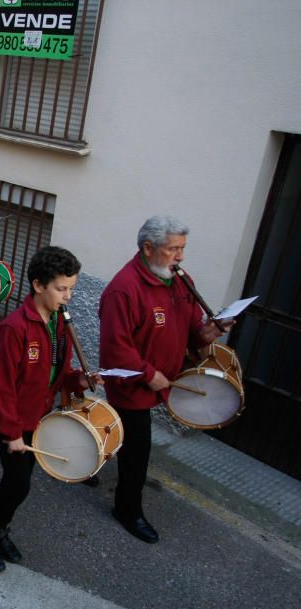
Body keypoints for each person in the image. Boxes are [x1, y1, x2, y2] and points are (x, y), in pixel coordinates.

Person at [99, 216, 230, 543]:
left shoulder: (180, 279)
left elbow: (193, 330)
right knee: (137, 452)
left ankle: (94, 457)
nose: (181, 256)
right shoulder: (123, 288)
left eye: (182, 248)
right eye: (173, 249)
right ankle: (127, 510)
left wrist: (207, 334)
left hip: (161, 380)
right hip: (131, 385)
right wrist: (148, 373)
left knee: (127, 438)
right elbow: (116, 348)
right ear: (148, 248)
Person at [0, 246, 98, 572]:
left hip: (40, 418)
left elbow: (57, 369)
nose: (68, 296)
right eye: (61, 288)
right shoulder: (15, 328)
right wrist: (11, 434)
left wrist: (77, 380)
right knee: (18, 485)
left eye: (71, 288)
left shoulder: (59, 321)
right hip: (13, 422)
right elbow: (0, 389)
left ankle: (0, 528)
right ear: (39, 285)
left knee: (20, 482)